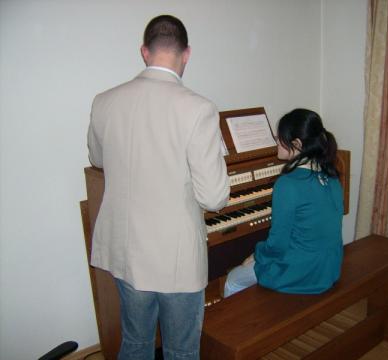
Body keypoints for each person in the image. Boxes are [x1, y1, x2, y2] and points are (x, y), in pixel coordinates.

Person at [87, 15, 230, 360]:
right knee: (181, 350)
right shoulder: (199, 109)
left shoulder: (104, 101)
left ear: (144, 52)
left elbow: (97, 159)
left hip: (125, 250)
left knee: (136, 342)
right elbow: (214, 197)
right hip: (174, 258)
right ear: (187, 54)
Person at [224, 109, 343, 297]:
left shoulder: (289, 183)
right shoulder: (330, 174)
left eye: (279, 138)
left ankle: (244, 324)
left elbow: (277, 244)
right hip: (329, 267)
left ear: (296, 144)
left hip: (300, 273)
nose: (276, 142)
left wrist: (255, 256)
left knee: (232, 279)